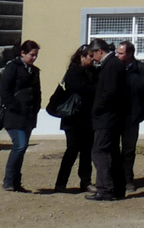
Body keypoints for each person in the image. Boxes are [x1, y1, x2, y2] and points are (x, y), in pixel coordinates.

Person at [87, 37, 130, 200]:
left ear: (100, 51)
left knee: (100, 151)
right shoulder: (113, 64)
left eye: (93, 54)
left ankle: (105, 189)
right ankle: (117, 189)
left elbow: (109, 92)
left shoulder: (111, 65)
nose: (92, 58)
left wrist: (97, 108)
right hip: (112, 117)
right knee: (112, 152)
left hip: (107, 117)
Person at [0, 40, 41, 192]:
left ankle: (16, 182)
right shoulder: (12, 68)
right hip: (14, 115)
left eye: (36, 55)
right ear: (23, 53)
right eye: (32, 55)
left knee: (21, 149)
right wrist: (14, 106)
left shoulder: (34, 71)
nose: (34, 58)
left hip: (28, 115)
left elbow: (37, 92)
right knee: (20, 145)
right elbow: (4, 90)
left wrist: (35, 109)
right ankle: (8, 180)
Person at [53, 45, 96, 192]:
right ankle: (60, 183)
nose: (93, 59)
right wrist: (96, 88)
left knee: (87, 151)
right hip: (72, 119)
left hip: (88, 118)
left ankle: (85, 182)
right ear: (82, 57)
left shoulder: (93, 72)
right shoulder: (73, 72)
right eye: (90, 56)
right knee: (72, 150)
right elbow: (81, 89)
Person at [118, 41, 144, 193]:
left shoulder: (142, 70)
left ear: (129, 54)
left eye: (121, 53)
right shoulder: (113, 68)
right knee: (112, 149)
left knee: (129, 149)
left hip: (132, 116)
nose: (117, 55)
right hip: (114, 115)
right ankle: (114, 178)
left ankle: (128, 179)